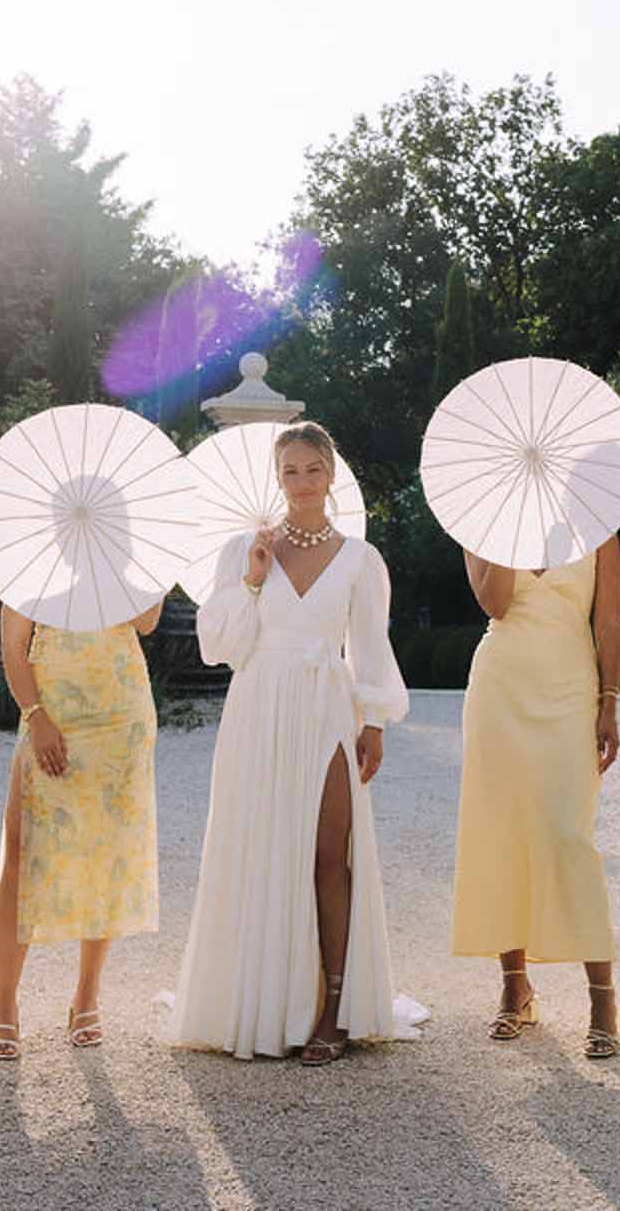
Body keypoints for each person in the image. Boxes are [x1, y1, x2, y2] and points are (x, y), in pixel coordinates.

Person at [164, 422, 421, 1065]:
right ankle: (264, 1004)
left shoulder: (361, 559)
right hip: (258, 708)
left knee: (328, 855)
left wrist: (374, 722)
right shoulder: (242, 551)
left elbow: (369, 647)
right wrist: (252, 579)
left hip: (326, 707)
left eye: (312, 470)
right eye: (290, 472)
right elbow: (220, 647)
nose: (302, 483)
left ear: (331, 474)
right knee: (260, 853)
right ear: (277, 480)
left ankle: (331, 1012)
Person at [451, 538, 620, 1059]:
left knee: (571, 837)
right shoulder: (484, 522)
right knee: (504, 833)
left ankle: (602, 1001)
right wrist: (511, 531)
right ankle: (515, 987)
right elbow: (496, 604)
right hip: (500, 689)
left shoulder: (599, 526)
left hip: (572, 687)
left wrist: (610, 702)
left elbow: (609, 621)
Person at [0, 601, 162, 1061]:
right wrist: (36, 716)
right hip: (53, 711)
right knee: (23, 854)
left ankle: (86, 996)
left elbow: (146, 622)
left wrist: (141, 574)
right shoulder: (33, 555)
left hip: (122, 714)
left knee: (107, 853)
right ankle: (5, 999)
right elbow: (12, 644)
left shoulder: (122, 556)